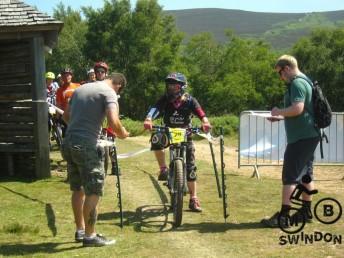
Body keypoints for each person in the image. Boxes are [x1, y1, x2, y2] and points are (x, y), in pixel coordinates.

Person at [62, 72, 129, 247]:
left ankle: (81, 230)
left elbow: (66, 116)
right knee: (94, 190)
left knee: (78, 189)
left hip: (68, 142)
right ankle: (90, 237)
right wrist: (124, 134)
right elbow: (113, 122)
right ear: (118, 85)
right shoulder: (109, 93)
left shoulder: (80, 88)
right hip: (86, 146)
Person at [261, 55, 320, 228]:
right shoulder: (306, 81)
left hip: (301, 137)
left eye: (280, 73)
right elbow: (304, 111)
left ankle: (284, 217)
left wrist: (278, 111)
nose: (280, 77)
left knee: (290, 177)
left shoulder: (296, 83)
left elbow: (298, 109)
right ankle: (305, 212)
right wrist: (281, 117)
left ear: (286, 68)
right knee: (306, 174)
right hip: (310, 134)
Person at [143, 72, 211, 212]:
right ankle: (163, 169)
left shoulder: (190, 100)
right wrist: (149, 119)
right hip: (168, 132)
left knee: (191, 167)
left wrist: (205, 122)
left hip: (186, 133)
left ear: (182, 86)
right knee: (156, 139)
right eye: (169, 85)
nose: (170, 88)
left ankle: (193, 198)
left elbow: (200, 112)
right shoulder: (165, 99)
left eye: (174, 85)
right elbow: (155, 110)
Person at [56, 68, 80, 136]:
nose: (66, 77)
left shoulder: (78, 86)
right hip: (66, 117)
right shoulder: (59, 90)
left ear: (71, 76)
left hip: (77, 116)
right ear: (62, 78)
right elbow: (58, 104)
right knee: (67, 137)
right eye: (64, 76)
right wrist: (57, 119)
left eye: (68, 75)